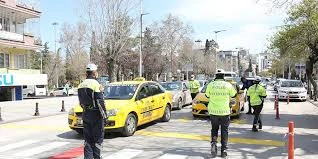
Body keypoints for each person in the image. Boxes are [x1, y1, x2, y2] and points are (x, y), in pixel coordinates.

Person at [205, 70, 237, 158]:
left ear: (215, 75)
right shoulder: (228, 85)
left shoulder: (210, 84)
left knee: (214, 129)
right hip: (225, 112)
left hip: (213, 111)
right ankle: (224, 151)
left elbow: (207, 95)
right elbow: (234, 94)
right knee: (224, 131)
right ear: (223, 76)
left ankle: (214, 145)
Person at [78, 64, 107, 159]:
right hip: (96, 114)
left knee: (88, 140)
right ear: (94, 73)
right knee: (98, 139)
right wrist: (105, 116)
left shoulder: (81, 84)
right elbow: (100, 102)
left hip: (86, 114)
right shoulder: (96, 84)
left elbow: (81, 103)